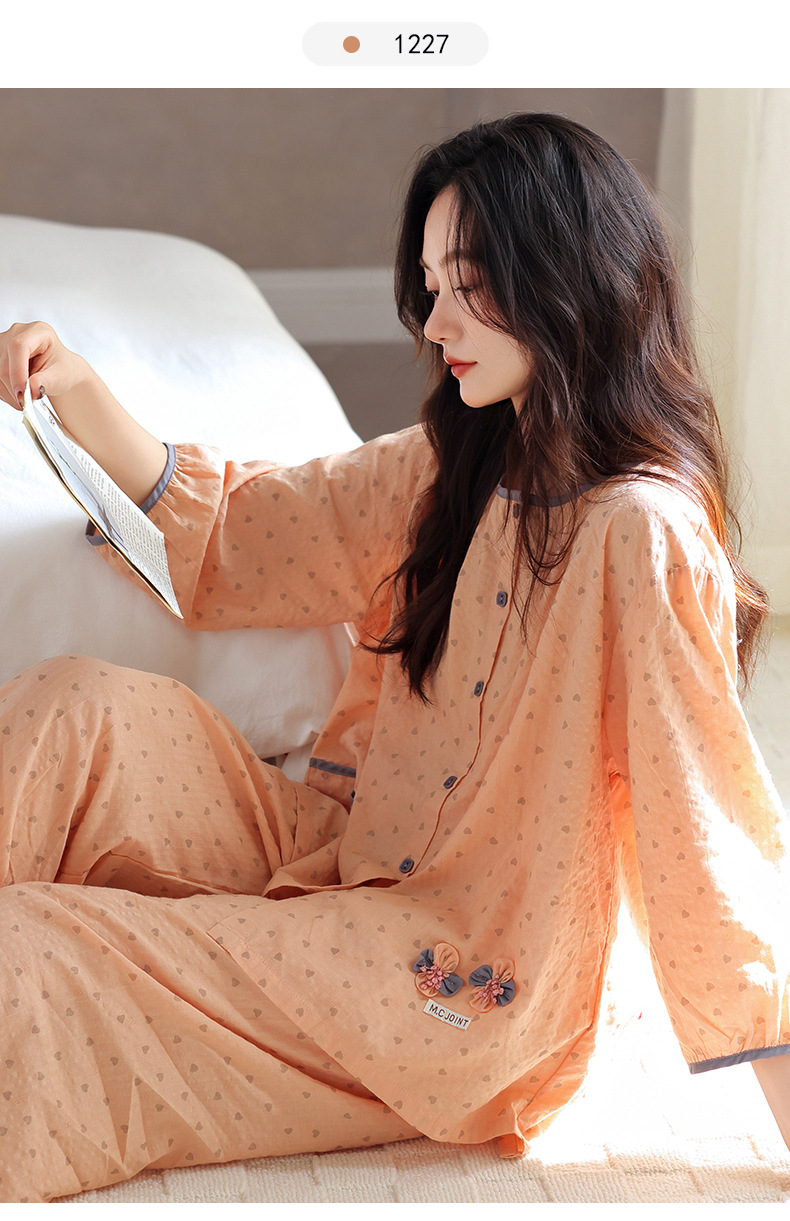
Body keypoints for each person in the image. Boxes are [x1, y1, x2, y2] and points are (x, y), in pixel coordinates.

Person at [0, 112, 789, 1204]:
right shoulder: (450, 465)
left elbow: (698, 827)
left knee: (35, 952)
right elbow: (247, 532)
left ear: (567, 278)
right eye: (429, 285)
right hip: (346, 854)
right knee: (75, 710)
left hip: (460, 986)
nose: (437, 320)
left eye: (470, 284)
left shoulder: (639, 534)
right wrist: (76, 385)